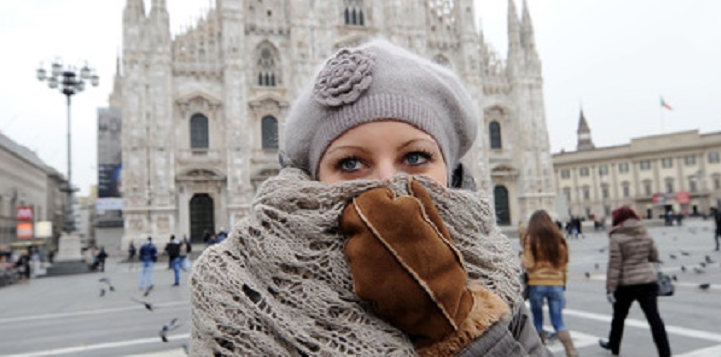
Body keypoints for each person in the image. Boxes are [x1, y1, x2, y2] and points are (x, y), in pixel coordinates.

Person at [190, 39, 549, 355]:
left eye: (414, 158)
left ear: (450, 173)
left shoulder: (490, 281)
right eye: (350, 163)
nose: (386, 184)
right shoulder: (242, 298)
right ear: (311, 180)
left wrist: (461, 327)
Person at [600, 206, 670, 356]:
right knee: (654, 319)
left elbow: (615, 264)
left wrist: (610, 288)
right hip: (647, 281)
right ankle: (665, 352)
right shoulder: (644, 233)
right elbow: (654, 256)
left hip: (626, 285)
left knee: (619, 317)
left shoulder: (616, 237)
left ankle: (614, 346)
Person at [521, 210, 577, 356]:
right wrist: (563, 283)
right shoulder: (558, 238)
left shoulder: (531, 238)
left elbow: (528, 263)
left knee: (537, 322)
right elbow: (564, 264)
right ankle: (571, 350)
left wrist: (522, 256)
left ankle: (541, 353)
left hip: (537, 284)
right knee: (559, 322)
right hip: (556, 283)